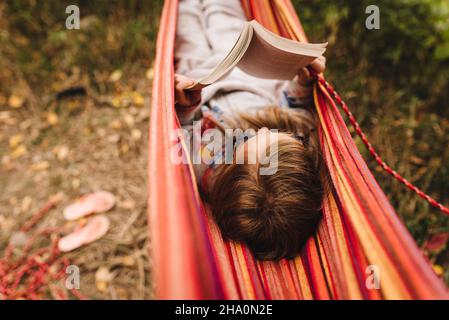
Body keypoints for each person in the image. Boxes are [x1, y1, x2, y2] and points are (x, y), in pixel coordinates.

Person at [173, 0, 327, 260]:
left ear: (231, 167)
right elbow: (295, 108)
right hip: (249, 72)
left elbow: (185, 129)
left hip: (199, 78)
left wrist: (185, 107)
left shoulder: (206, 169)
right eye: (278, 137)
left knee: (186, 24)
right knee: (224, 18)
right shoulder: (300, 134)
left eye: (253, 141)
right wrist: (303, 82)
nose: (264, 131)